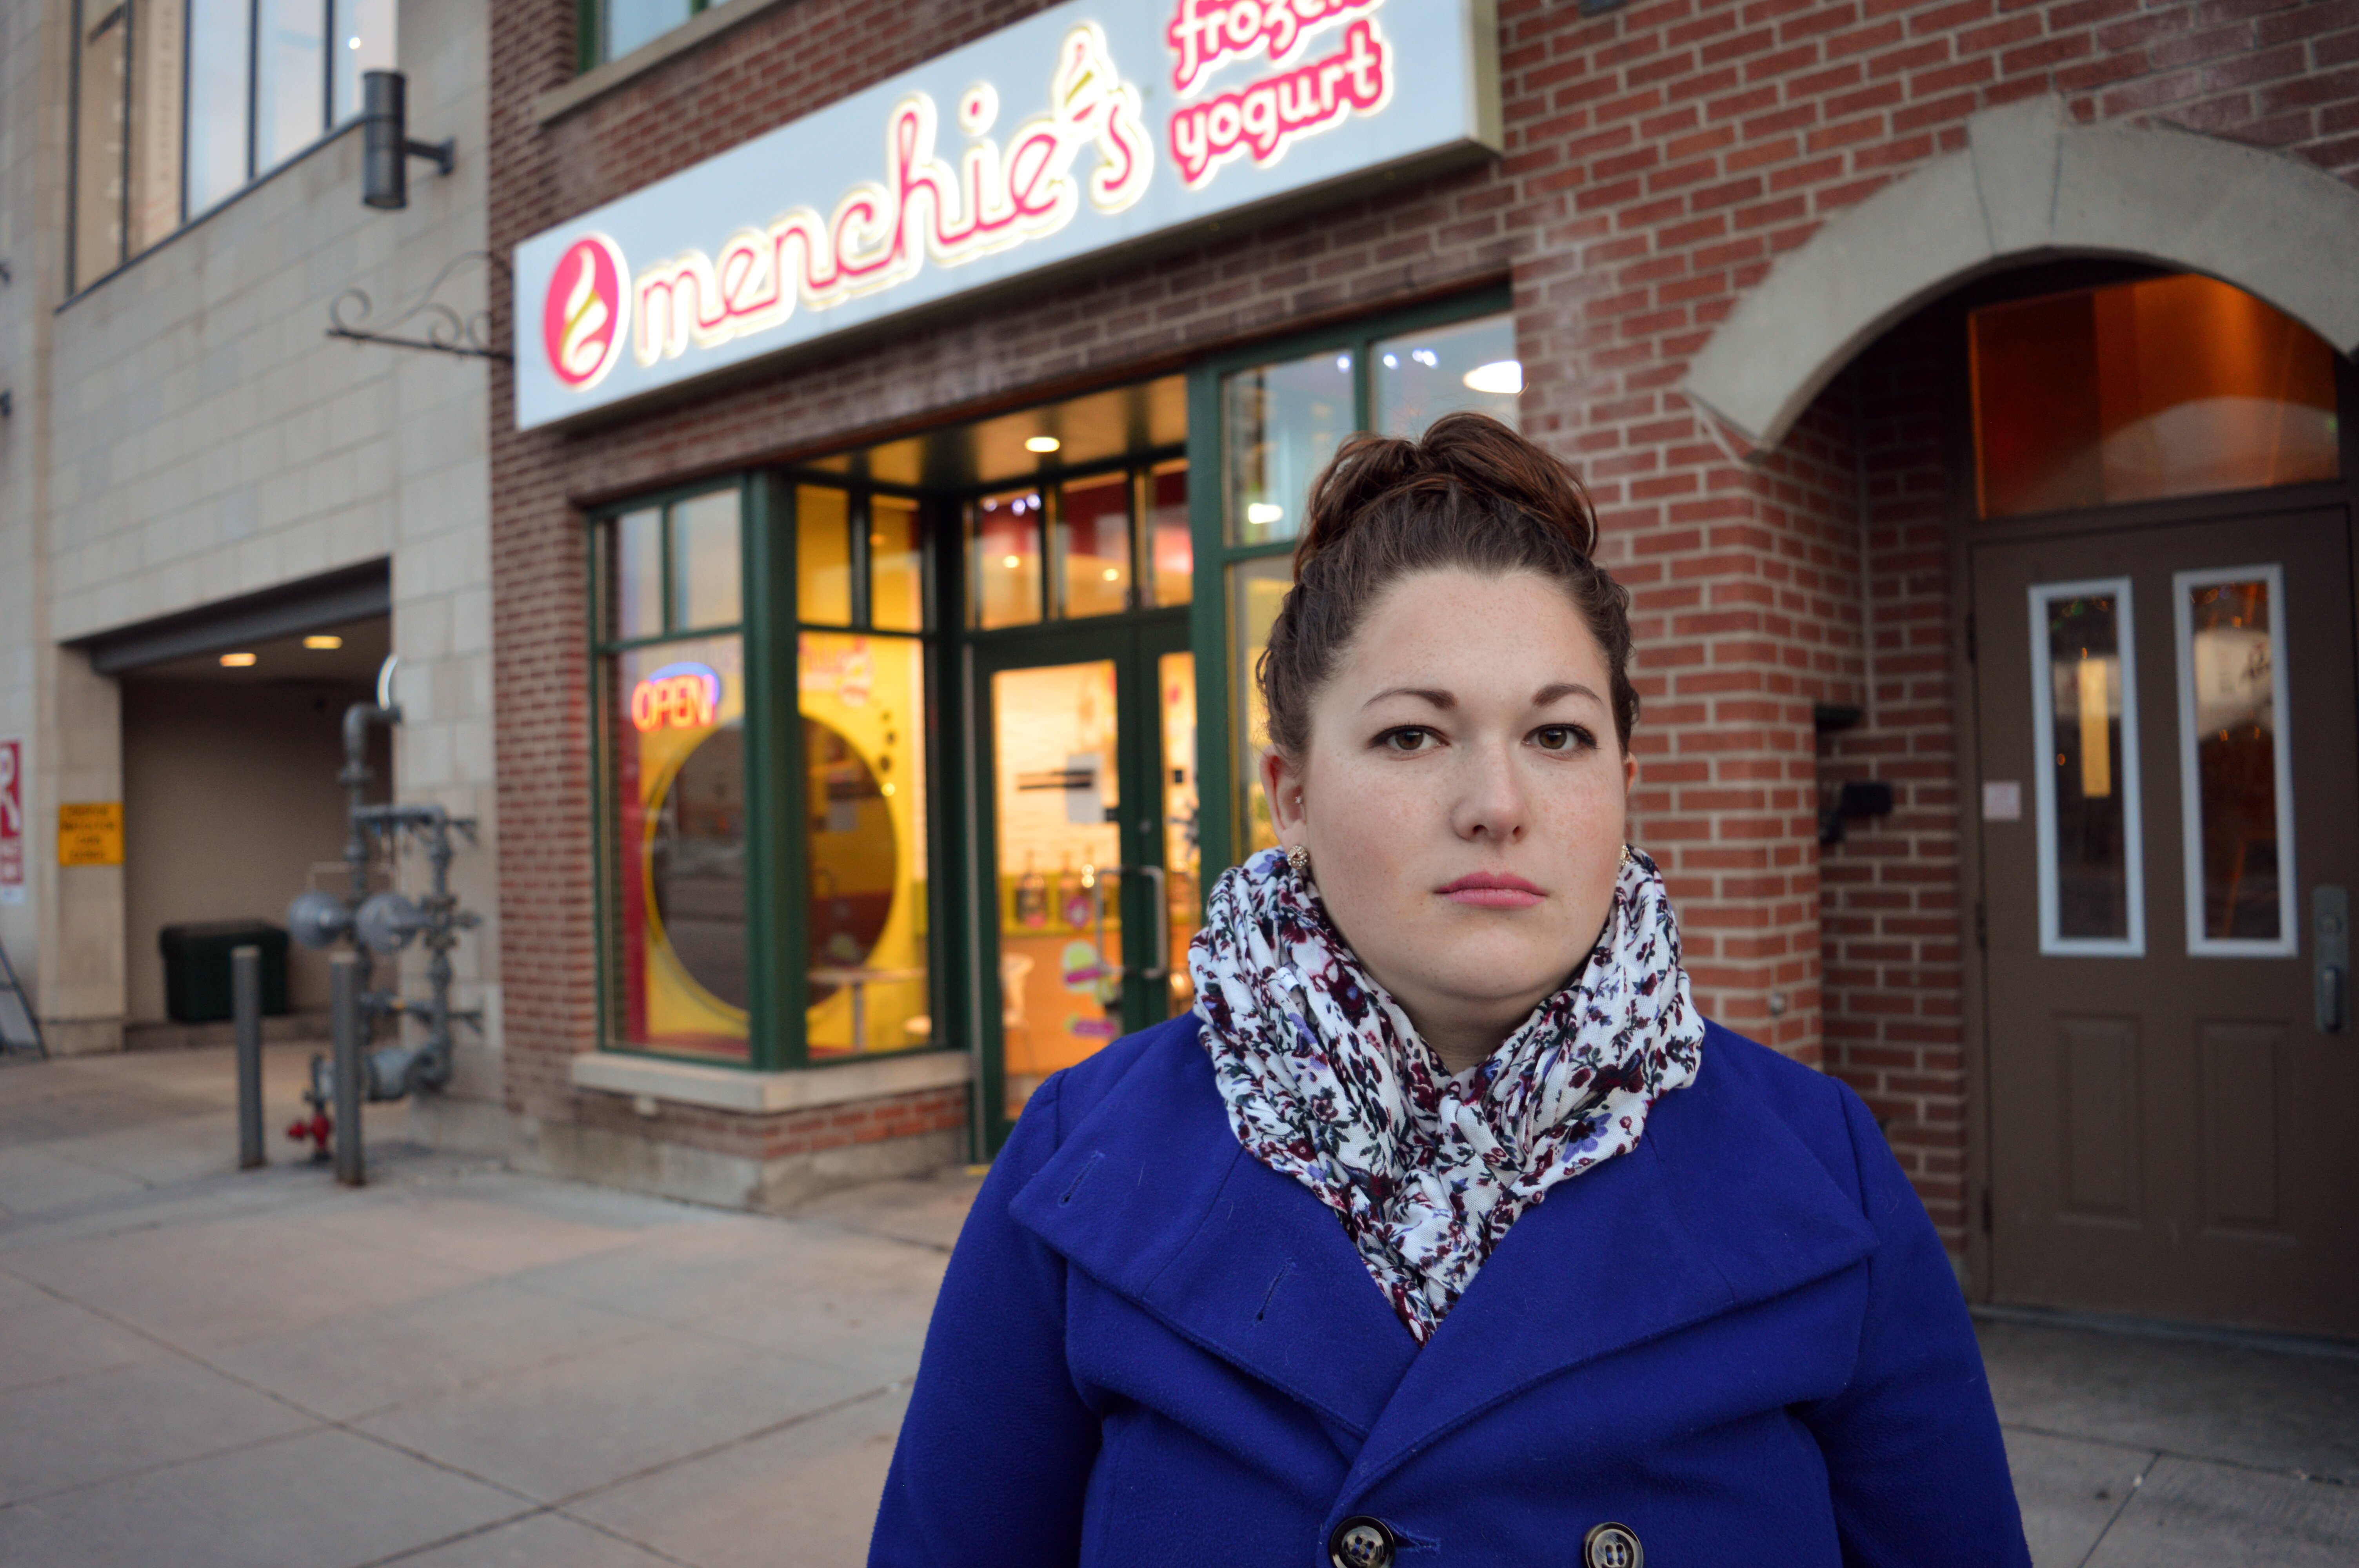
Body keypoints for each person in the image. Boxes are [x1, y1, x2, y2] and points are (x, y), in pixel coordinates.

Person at [870, 413, 2029, 1568]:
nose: (1497, 801)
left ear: (1627, 777)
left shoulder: (1820, 1168)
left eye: (1559, 737)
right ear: (1293, 793)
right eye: (1416, 736)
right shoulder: (1086, 1160)